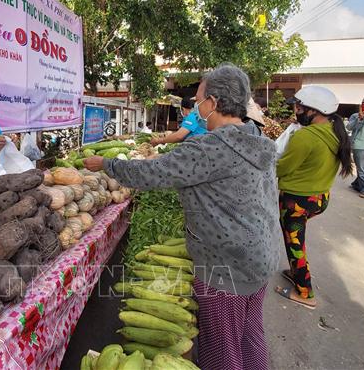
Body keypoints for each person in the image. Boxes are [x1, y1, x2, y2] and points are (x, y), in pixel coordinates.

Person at [84, 64, 279, 370]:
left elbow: (151, 173)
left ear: (212, 103)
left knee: (221, 345)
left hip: (225, 264)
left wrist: (107, 164)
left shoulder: (209, 147)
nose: (196, 106)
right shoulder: (257, 139)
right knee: (249, 333)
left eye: (199, 99)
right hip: (261, 254)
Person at [275, 86, 353, 309]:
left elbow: (281, 169)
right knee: (296, 240)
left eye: (299, 108)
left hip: (296, 201)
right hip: (319, 199)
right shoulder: (335, 132)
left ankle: (305, 294)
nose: (295, 112)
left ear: (313, 111)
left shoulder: (306, 136)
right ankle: (294, 271)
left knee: (295, 245)